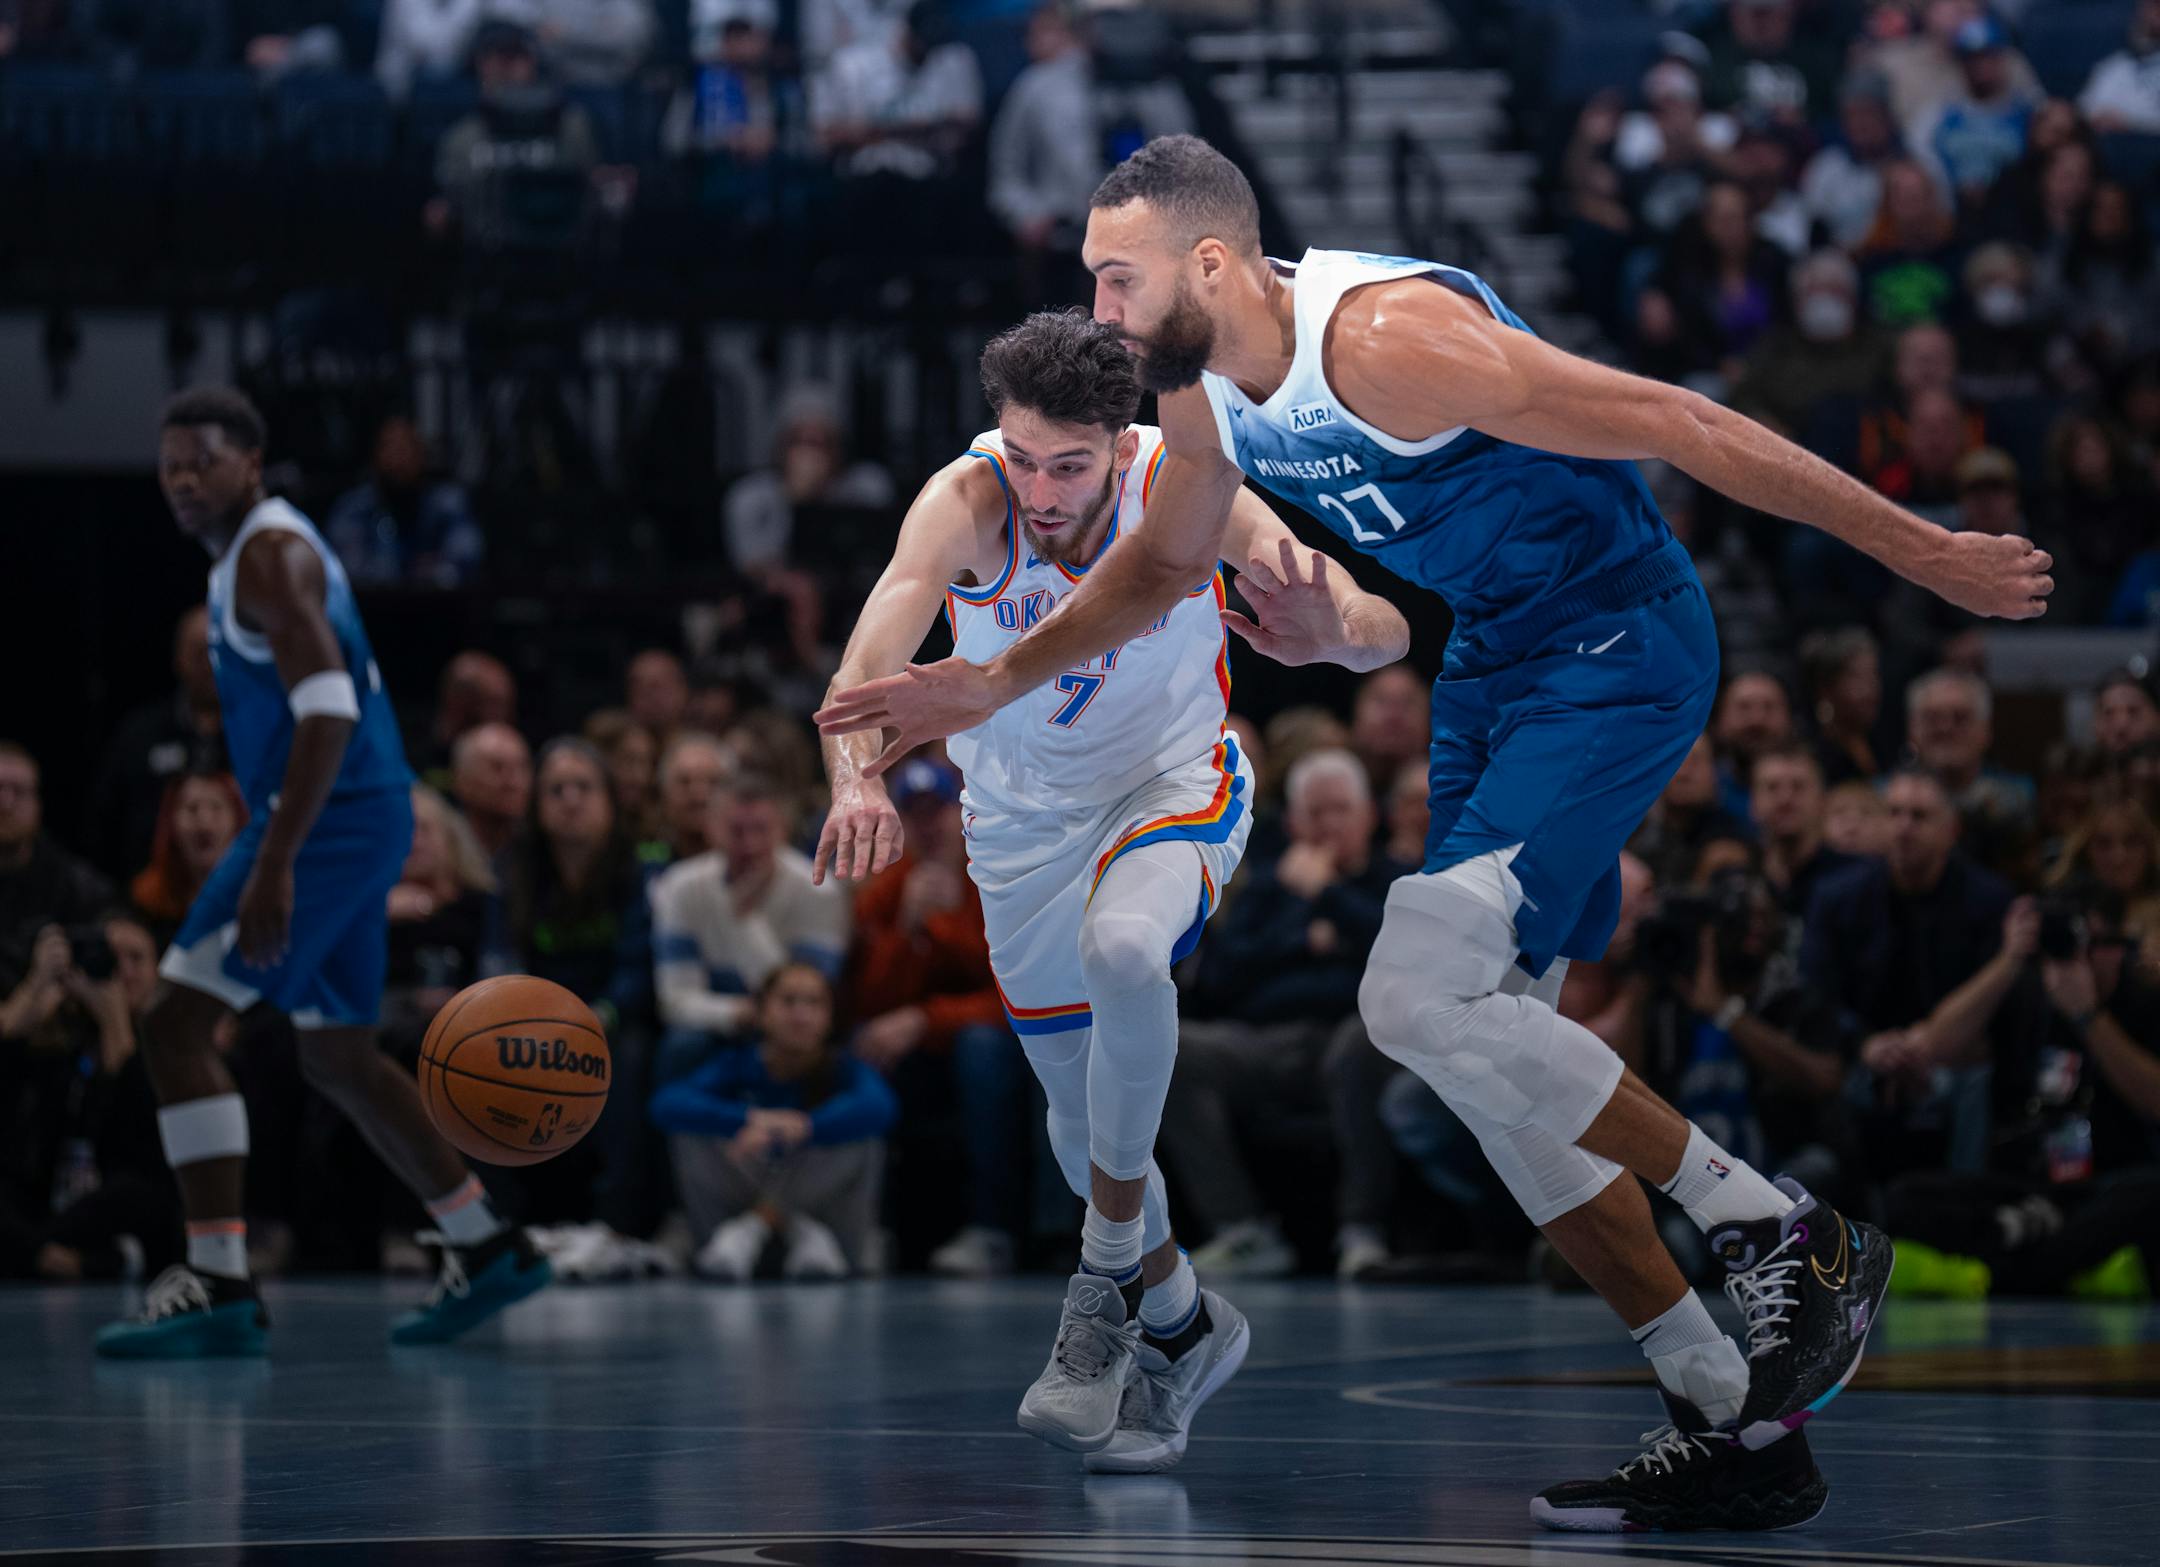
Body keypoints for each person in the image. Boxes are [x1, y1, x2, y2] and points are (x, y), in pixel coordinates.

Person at [819, 135, 2050, 1528]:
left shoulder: (1392, 339)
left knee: (1410, 990)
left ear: (1208, 264)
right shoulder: (1203, 386)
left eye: (1117, 277)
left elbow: (1680, 420)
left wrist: (1926, 550)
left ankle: (1786, 1234)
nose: (1098, 309)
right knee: (1483, 1054)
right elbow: (1165, 561)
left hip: (1615, 640)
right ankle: (1725, 1404)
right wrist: (989, 679)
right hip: (1493, 668)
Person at [814, 309, 1409, 1474]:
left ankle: (1098, 1282)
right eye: (1023, 452)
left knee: (1130, 953)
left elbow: (1379, 624)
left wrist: (1335, 638)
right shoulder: (968, 499)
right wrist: (854, 781)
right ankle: (1182, 1324)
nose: (1039, 485)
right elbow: (865, 659)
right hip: (1021, 833)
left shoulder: (1182, 487)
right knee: (1083, 1121)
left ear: (1120, 439)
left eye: (1068, 463)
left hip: (1172, 783)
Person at [101, 387, 549, 1358]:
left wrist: (276, 865)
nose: (182, 478)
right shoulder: (253, 554)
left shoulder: (270, 555)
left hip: (327, 826)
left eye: (203, 460)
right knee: (335, 1053)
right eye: (170, 462)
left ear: (251, 466)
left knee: (173, 1023)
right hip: (358, 816)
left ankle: (217, 1277)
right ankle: (485, 1241)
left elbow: (330, 711)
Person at [1165, 748, 1412, 1280]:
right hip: (1267, 1041)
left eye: (1340, 810)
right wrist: (1302, 934)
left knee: (1360, 1042)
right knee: (1176, 1049)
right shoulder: (1268, 888)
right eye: (1314, 812)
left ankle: (1361, 1229)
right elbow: (1222, 975)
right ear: (1294, 820)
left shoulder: (1398, 881)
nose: (1328, 825)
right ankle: (1241, 1228)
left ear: (1370, 816)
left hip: (1357, 1036)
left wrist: (1331, 895)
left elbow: (1401, 956)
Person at [844, 757, 1019, 1277]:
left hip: (992, 1036)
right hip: (923, 1040)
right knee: (861, 1047)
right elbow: (870, 1001)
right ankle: (871, 1227)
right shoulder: (889, 885)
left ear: (959, 811)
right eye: (914, 811)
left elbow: (1012, 991)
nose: (928, 824)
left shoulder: (998, 869)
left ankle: (993, 1229)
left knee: (982, 1049)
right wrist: (906, 929)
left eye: (937, 810)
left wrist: (927, 1013)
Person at [650, 962, 896, 1280]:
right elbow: (667, 1103)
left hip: (824, 1248)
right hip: (734, 1246)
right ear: (762, 1012)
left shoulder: (842, 1068)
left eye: (814, 1003)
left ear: (830, 1016)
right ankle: (752, 1230)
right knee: (691, 1133)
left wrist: (807, 1127)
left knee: (863, 1136)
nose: (801, 1014)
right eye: (788, 1001)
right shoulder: (739, 1064)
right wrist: (749, 1119)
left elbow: (882, 1106)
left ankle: (763, 1223)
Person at [86, 605, 226, 880]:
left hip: (245, 896)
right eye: (198, 651)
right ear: (178, 657)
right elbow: (103, 824)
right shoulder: (139, 734)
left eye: (216, 651)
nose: (208, 662)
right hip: (150, 903)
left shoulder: (261, 734)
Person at [322, 413, 483, 589]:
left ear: (423, 455)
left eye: (406, 448)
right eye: (390, 448)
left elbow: (467, 559)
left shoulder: (446, 503)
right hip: (372, 611)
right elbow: (347, 572)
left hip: (437, 610)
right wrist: (415, 568)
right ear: (376, 456)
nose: (399, 459)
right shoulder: (353, 507)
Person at [128, 772, 248, 946]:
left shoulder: (259, 895)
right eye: (192, 808)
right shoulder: (145, 901)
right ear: (170, 824)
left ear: (238, 821)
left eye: (217, 808)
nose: (204, 824)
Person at [449, 721, 533, 870]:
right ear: (462, 780)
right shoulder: (439, 850)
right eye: (497, 768)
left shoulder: (542, 852)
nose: (513, 782)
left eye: (521, 767)